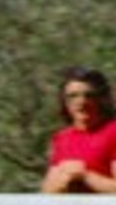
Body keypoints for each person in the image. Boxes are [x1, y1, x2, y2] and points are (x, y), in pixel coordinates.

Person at [41, 66, 116, 194]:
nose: (81, 101)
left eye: (89, 95)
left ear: (102, 99)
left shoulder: (112, 132)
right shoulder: (61, 138)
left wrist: (85, 176)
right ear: (64, 101)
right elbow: (47, 191)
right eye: (73, 96)